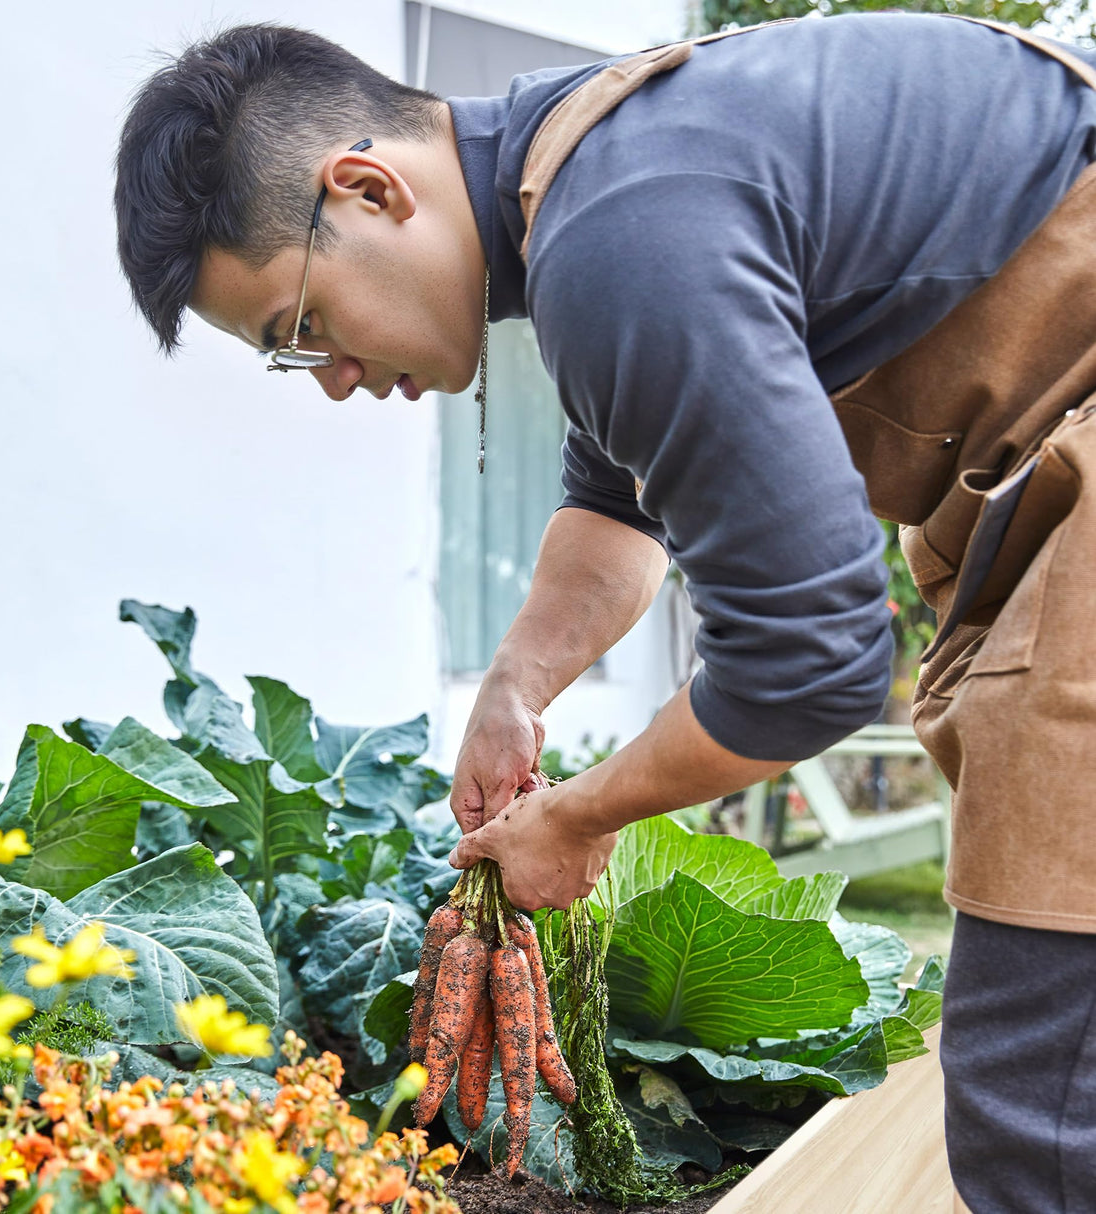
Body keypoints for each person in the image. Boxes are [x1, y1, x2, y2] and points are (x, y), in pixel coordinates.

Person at [114, 13, 1096, 1209]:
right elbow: (617, 508)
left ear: (367, 190)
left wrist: (582, 815)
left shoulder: (618, 235)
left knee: (1039, 1111)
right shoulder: (591, 180)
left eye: (304, 326)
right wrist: (514, 688)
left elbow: (811, 663)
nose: (333, 380)